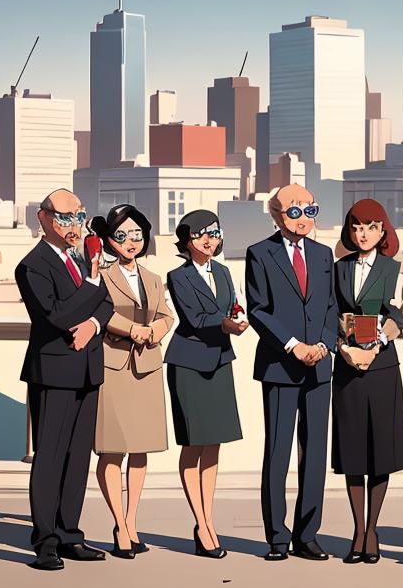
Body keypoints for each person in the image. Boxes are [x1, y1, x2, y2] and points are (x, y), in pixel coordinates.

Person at [15, 189, 115, 571]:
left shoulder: (83, 260)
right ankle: (45, 541)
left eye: (79, 216)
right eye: (65, 217)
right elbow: (53, 316)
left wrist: (92, 324)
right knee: (50, 457)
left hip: (88, 368)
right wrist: (90, 290)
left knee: (77, 459)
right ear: (43, 218)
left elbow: (106, 303)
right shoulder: (33, 265)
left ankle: (70, 534)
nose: (74, 225)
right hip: (54, 371)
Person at [245, 183, 339, 562]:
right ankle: (277, 538)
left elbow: (331, 305)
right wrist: (292, 345)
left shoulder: (323, 254)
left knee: (314, 453)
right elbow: (258, 310)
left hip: (319, 366)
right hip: (280, 366)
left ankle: (308, 535)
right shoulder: (259, 253)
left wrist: (324, 344)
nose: (303, 219)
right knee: (278, 453)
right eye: (294, 211)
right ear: (276, 214)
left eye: (309, 211)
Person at [90, 204, 174, 560]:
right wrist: (133, 329)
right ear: (110, 240)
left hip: (147, 367)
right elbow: (99, 311)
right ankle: (118, 525)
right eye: (122, 236)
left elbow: (167, 314)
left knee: (140, 449)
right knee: (112, 447)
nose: (131, 242)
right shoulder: (102, 275)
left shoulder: (154, 278)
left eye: (137, 234)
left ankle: (131, 521)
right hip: (113, 367)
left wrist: (154, 329)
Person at [331, 199, 403, 564]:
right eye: (356, 227)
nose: (362, 234)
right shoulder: (339, 268)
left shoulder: (393, 268)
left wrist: (377, 344)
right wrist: (342, 347)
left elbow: (396, 313)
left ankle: (373, 530)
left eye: (370, 227)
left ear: (382, 232)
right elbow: (330, 311)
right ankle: (357, 529)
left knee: (379, 451)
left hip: (380, 366)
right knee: (352, 452)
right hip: (347, 365)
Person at [165, 209, 247, 559]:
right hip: (189, 362)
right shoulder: (178, 276)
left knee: (214, 444)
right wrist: (228, 325)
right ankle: (201, 523)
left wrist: (239, 317)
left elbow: (231, 305)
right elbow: (195, 319)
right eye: (201, 235)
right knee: (193, 444)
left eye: (213, 233)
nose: (209, 240)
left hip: (219, 361)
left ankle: (208, 518)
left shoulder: (225, 272)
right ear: (186, 241)